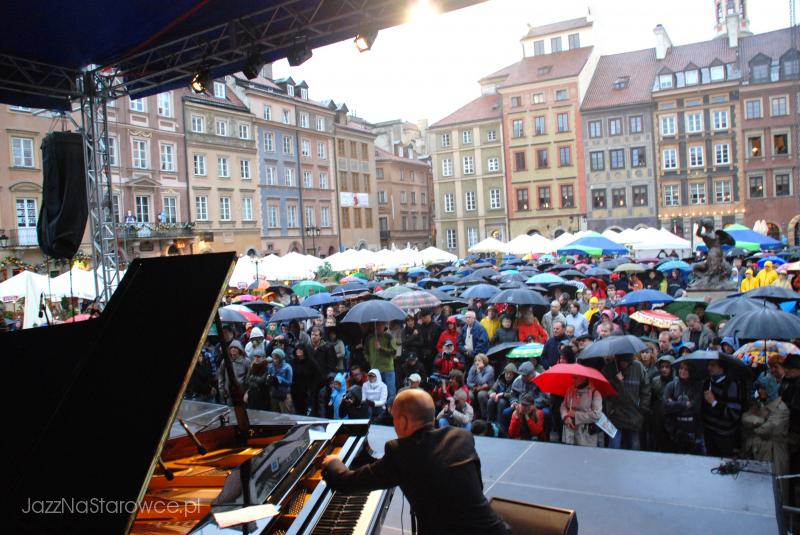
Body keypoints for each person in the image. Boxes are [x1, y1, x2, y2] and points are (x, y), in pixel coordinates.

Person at [321, 389, 510, 535]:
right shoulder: (461, 436)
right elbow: (477, 485)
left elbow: (346, 482)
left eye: (394, 418)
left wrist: (332, 461)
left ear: (403, 420)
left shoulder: (401, 452)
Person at [742, 373, 789, 496]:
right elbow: (745, 418)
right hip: (756, 450)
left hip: (773, 453)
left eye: (763, 388)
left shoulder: (781, 409)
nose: (760, 391)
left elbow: (767, 430)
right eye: (759, 388)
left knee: (774, 491)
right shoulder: (758, 404)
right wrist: (760, 421)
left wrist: (755, 425)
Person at [603, 354, 651, 450]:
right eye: (621, 362)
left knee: (634, 446)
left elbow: (646, 388)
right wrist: (615, 381)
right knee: (614, 446)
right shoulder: (610, 368)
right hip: (615, 415)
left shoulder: (638, 367)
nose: (623, 364)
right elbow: (604, 388)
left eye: (626, 362)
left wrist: (643, 408)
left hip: (634, 415)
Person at [702, 359, 742, 457]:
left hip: (724, 435)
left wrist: (714, 402)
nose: (709, 368)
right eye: (709, 365)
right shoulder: (707, 382)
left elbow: (733, 414)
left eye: (713, 365)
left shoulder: (732, 385)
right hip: (708, 432)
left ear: (722, 368)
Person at [663, 361, 704, 454]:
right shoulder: (671, 385)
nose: (683, 371)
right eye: (681, 368)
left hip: (692, 429)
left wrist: (674, 404)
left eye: (686, 369)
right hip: (675, 429)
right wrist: (685, 404)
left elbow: (695, 407)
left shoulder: (697, 386)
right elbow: (665, 405)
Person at [560, 374, 603, 447]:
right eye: (572, 377)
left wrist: (575, 414)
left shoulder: (595, 393)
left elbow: (597, 414)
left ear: (584, 377)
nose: (572, 380)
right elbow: (563, 406)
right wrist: (565, 417)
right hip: (569, 433)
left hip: (585, 435)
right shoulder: (570, 389)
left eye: (575, 378)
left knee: (584, 456)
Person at [365, 322, 398, 404]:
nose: (378, 327)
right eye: (376, 325)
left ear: (384, 326)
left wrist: (381, 348)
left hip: (388, 369)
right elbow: (365, 351)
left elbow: (394, 352)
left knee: (391, 393)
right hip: (375, 370)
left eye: (380, 325)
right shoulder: (369, 338)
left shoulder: (389, 337)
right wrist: (369, 360)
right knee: (376, 393)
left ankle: (391, 412)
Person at [217, 340, 251, 406]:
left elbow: (248, 377)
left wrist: (247, 392)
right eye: (231, 348)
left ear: (239, 349)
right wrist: (222, 390)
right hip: (229, 394)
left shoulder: (246, 361)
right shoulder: (225, 361)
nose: (233, 349)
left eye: (235, 348)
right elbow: (221, 376)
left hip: (242, 394)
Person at [466, 353, 495, 419]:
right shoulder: (473, 367)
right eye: (475, 361)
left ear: (484, 361)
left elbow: (482, 381)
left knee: (481, 394)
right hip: (475, 388)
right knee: (469, 395)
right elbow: (469, 382)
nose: (476, 363)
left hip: (488, 389)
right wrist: (477, 387)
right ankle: (472, 415)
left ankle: (484, 416)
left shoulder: (489, 369)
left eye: (479, 360)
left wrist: (478, 372)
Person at [268, 348, 294, 413]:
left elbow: (289, 382)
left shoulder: (287, 367)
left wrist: (279, 379)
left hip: (284, 394)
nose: (275, 360)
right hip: (274, 393)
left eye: (277, 358)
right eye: (274, 358)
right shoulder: (271, 366)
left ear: (281, 358)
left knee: (285, 414)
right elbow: (269, 377)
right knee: (275, 413)